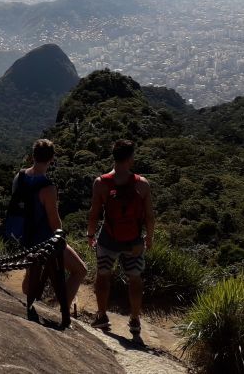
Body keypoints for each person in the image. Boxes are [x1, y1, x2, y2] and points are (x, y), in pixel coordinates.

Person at [87, 139, 155, 336]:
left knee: (103, 275)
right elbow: (150, 217)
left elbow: (94, 214)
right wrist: (148, 239)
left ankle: (101, 316)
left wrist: (91, 235)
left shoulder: (101, 183)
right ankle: (134, 320)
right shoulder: (142, 184)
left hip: (108, 239)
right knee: (135, 279)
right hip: (133, 241)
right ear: (131, 158)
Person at [16, 139, 87, 324]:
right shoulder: (48, 187)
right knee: (80, 270)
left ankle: (32, 296)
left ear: (33, 155)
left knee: (32, 276)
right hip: (45, 242)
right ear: (52, 159)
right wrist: (61, 235)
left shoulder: (20, 177)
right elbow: (54, 221)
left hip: (25, 238)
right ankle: (59, 309)